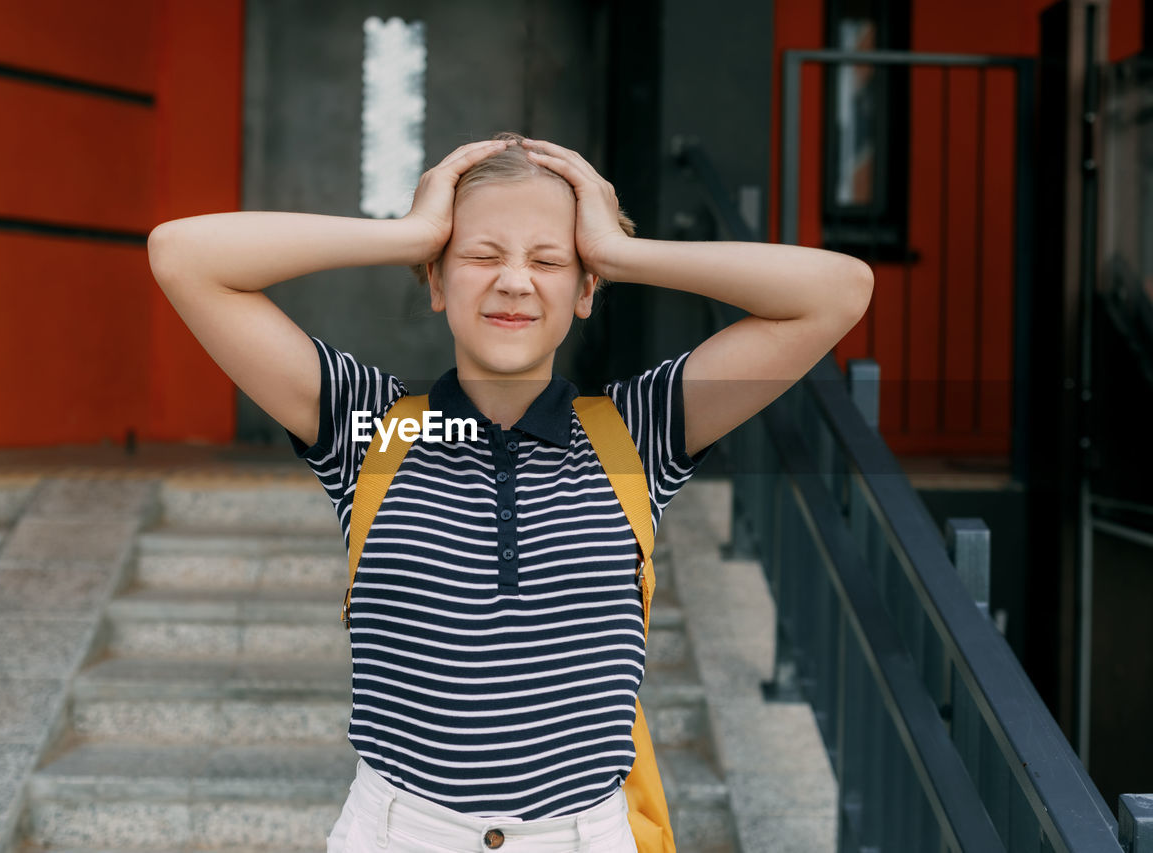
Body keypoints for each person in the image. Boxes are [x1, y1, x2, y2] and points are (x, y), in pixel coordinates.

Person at [147, 132, 872, 852]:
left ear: (587, 288)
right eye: (481, 255)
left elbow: (839, 292)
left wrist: (619, 252)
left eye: (550, 260)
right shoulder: (368, 430)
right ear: (435, 280)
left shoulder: (639, 435)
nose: (515, 280)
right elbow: (183, 256)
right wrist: (409, 233)